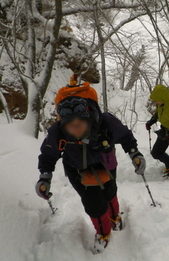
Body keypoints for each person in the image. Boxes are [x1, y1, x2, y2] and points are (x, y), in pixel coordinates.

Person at [35, 83, 145, 254]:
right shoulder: (58, 131)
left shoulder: (105, 121)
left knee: (109, 192)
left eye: (80, 124)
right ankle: (103, 233)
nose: (76, 129)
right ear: (63, 124)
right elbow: (49, 154)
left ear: (88, 118)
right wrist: (45, 176)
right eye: (71, 126)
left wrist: (135, 154)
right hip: (77, 169)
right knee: (93, 204)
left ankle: (115, 217)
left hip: (104, 162)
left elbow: (125, 136)